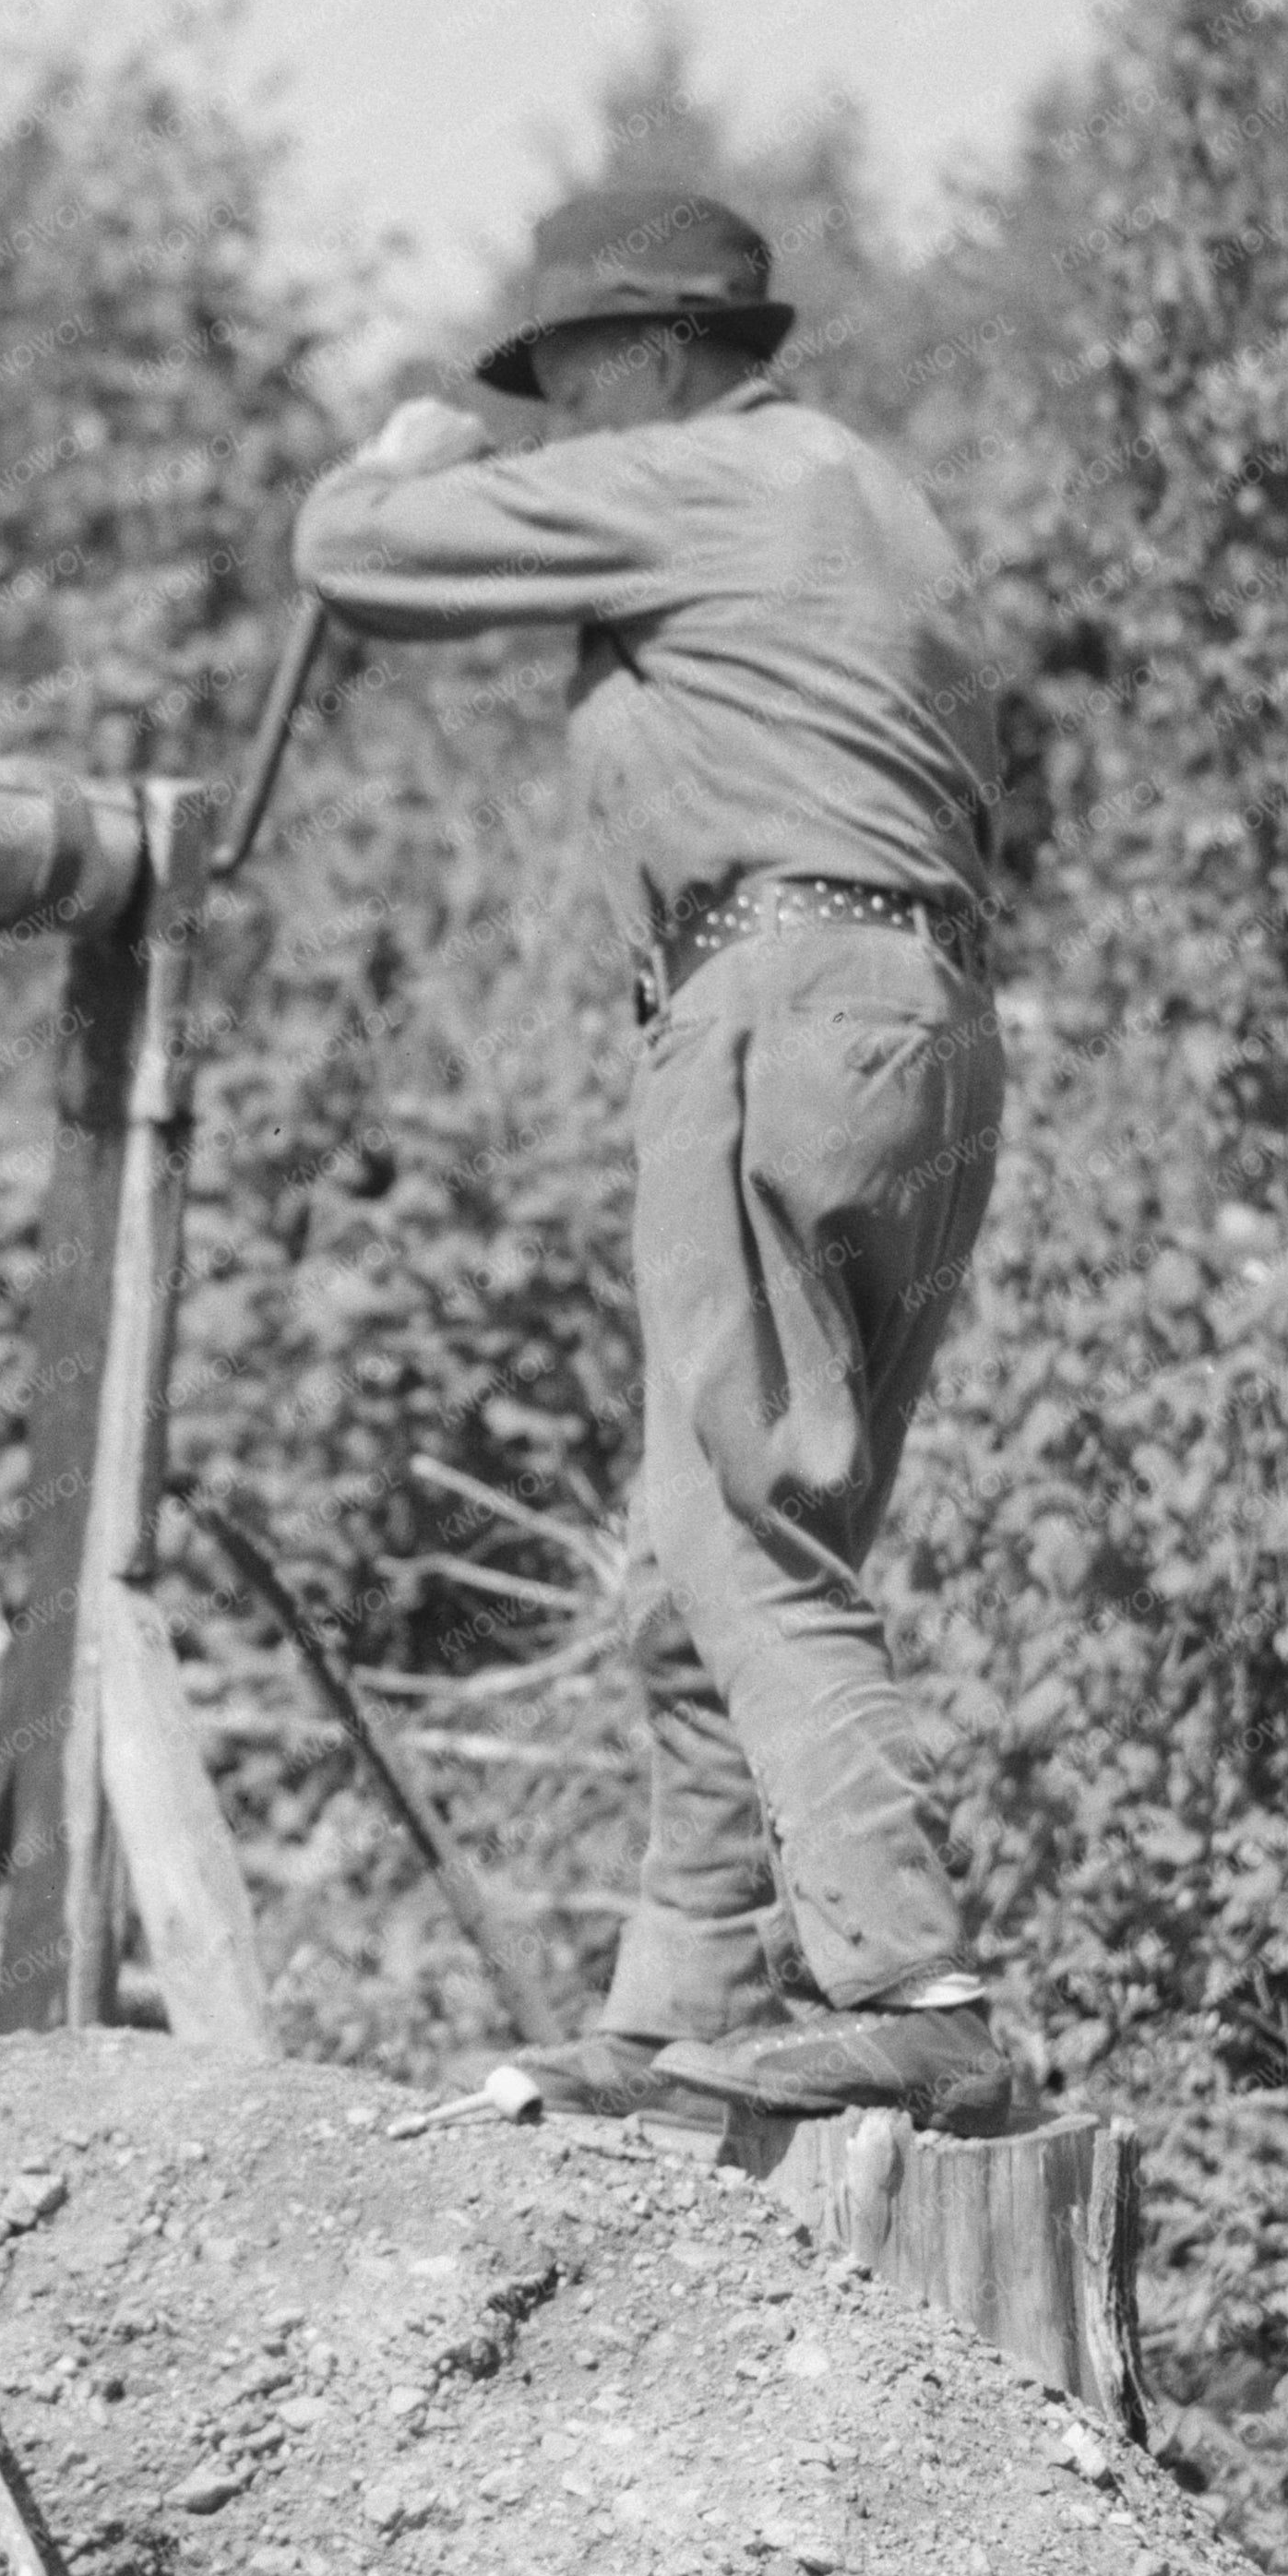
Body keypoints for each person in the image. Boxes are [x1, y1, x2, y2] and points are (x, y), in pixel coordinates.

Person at [290, 186, 1020, 2132]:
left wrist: (399, 456)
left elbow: (353, 556)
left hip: (773, 1006)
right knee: (699, 1546)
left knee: (744, 1528)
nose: (552, 421)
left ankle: (913, 1980)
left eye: (572, 375)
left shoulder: (703, 478)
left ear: (675, 356)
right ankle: (678, 2006)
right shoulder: (890, 510)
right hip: (925, 1029)